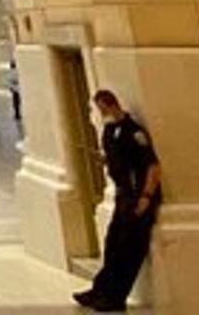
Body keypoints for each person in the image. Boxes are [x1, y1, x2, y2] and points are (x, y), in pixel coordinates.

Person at [74, 89, 163, 313]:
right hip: (123, 195)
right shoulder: (110, 130)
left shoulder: (134, 133)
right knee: (113, 245)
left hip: (137, 197)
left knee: (130, 249)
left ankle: (116, 296)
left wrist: (146, 197)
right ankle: (100, 290)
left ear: (112, 105)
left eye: (103, 108)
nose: (101, 113)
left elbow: (152, 166)